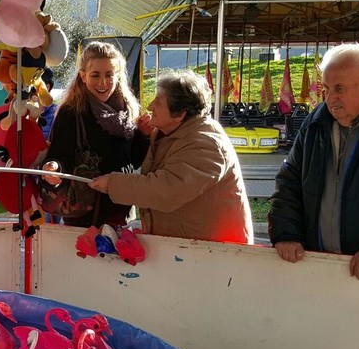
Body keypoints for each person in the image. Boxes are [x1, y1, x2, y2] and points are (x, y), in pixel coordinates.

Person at [89, 69, 253, 244]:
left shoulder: (205, 144)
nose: (150, 106)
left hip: (216, 252)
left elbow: (165, 190)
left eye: (158, 102)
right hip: (185, 247)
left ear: (180, 114)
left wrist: (113, 184)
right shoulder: (165, 133)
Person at [268, 43, 359, 280]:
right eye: (327, 88)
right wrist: (287, 233)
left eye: (340, 89)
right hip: (318, 264)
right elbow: (289, 179)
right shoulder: (315, 123)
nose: (331, 98)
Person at [41, 41, 148, 228]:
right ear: (83, 76)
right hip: (83, 214)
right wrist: (54, 169)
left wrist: (144, 136)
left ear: (118, 76)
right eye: (95, 75)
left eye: (109, 75)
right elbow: (59, 154)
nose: (103, 83)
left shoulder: (128, 109)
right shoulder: (70, 112)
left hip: (121, 210)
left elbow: (134, 160)